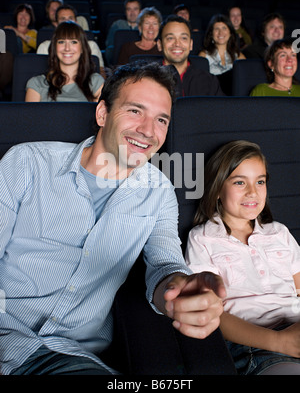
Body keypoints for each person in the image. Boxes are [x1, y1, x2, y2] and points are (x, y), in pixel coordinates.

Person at [1, 61, 225, 375]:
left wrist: (180, 290)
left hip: (68, 358)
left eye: (161, 119)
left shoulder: (159, 192)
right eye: (135, 111)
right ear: (102, 113)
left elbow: (165, 264)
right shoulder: (26, 163)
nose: (148, 130)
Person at [185, 140, 300, 375]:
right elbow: (212, 313)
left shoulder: (279, 233)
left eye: (260, 182)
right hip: (256, 344)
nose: (253, 192)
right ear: (217, 189)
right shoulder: (203, 239)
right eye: (240, 182)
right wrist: (279, 342)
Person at [25, 21, 104, 102]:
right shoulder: (37, 84)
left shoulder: (96, 82)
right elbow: (30, 114)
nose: (67, 48)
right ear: (55, 47)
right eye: (61, 42)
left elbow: (100, 114)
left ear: (82, 48)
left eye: (73, 42)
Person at [157, 15, 223, 97]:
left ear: (191, 44)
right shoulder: (147, 80)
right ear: (159, 45)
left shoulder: (209, 81)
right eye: (170, 38)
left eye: (184, 38)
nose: (177, 44)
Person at [37, 4, 105, 78]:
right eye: (63, 19)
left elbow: (101, 72)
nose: (67, 22)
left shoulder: (91, 45)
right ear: (56, 24)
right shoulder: (44, 47)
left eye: (70, 18)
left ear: (76, 22)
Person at [199, 14, 245, 95]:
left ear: (230, 32)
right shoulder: (203, 56)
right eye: (217, 29)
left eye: (224, 28)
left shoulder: (239, 56)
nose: (221, 32)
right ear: (211, 33)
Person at [105, 0, 142, 65]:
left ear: (140, 11)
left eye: (135, 9)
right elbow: (109, 45)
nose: (132, 13)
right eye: (129, 9)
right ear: (125, 12)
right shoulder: (117, 25)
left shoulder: (145, 27)